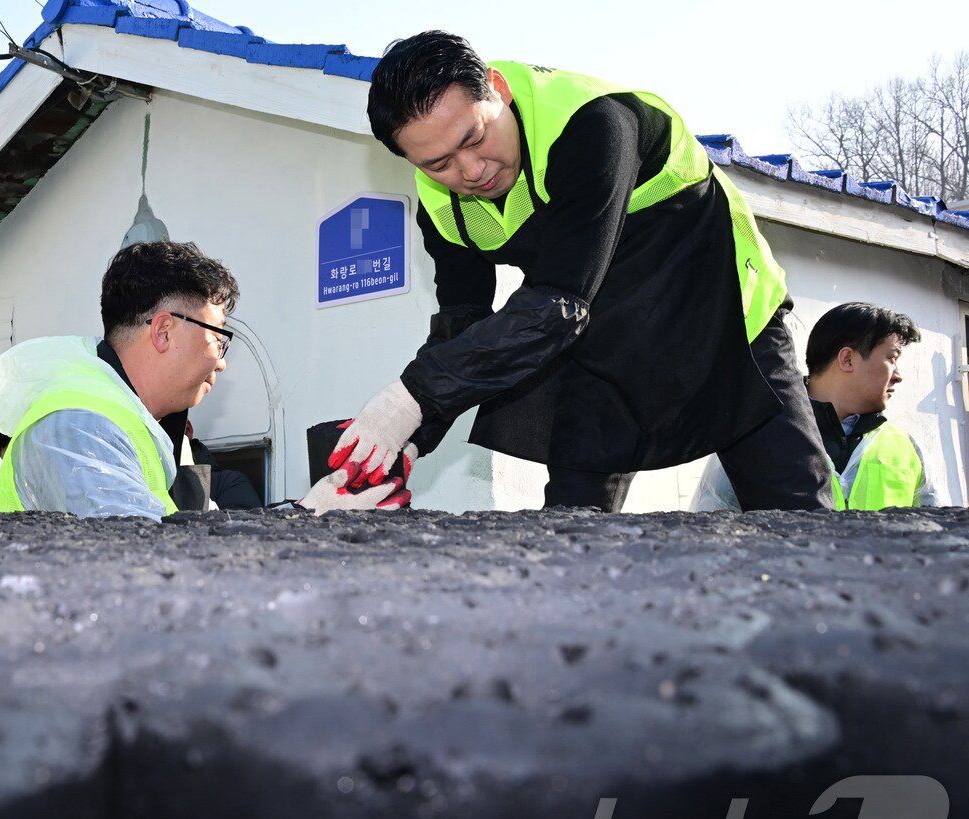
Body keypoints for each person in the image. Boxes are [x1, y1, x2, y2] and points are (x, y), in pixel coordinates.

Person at [308, 31, 832, 513]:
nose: (469, 172)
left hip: (721, 315)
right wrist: (406, 439)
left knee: (798, 513)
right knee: (572, 525)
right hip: (601, 335)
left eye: (475, 138)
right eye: (437, 164)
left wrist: (411, 396)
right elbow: (461, 330)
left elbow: (557, 303)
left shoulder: (594, 124)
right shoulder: (442, 207)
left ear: (498, 89)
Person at [0, 240, 240, 519]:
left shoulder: (124, 420)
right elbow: (139, 550)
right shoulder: (78, 426)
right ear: (164, 332)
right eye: (217, 338)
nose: (220, 363)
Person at [693, 302, 939, 510]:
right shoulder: (758, 437)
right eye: (891, 359)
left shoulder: (908, 450)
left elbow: (935, 542)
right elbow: (710, 534)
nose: (898, 375)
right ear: (847, 359)